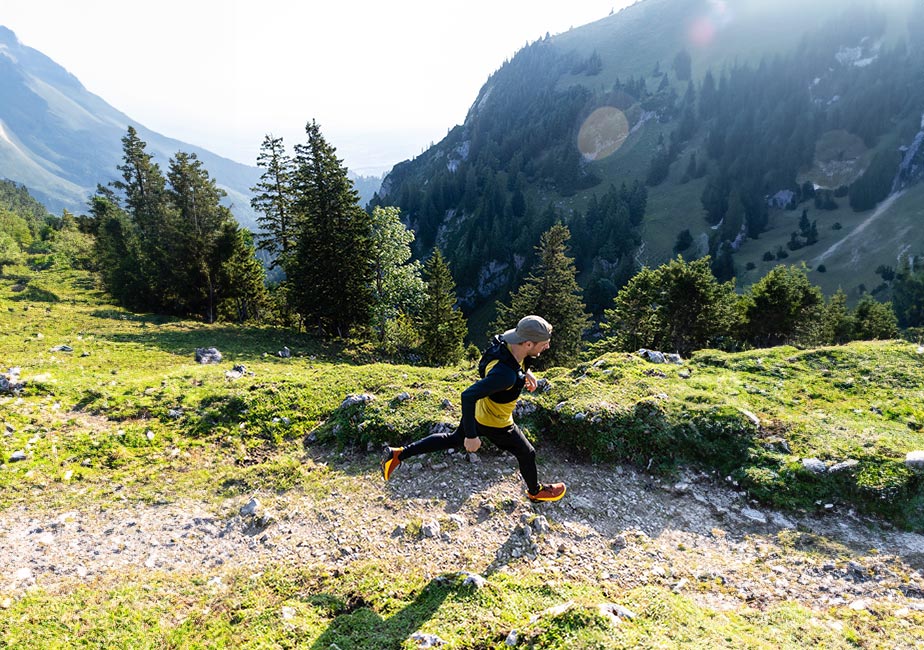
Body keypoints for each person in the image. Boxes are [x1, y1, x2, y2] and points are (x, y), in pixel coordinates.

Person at [381, 315, 566, 502]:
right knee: (527, 453)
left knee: (452, 439)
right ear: (528, 344)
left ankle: (398, 454)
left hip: (478, 411)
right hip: (496, 423)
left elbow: (511, 363)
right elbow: (468, 395)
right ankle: (535, 492)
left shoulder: (507, 344)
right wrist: (471, 436)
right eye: (544, 343)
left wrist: (526, 373)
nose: (547, 346)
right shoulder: (505, 376)